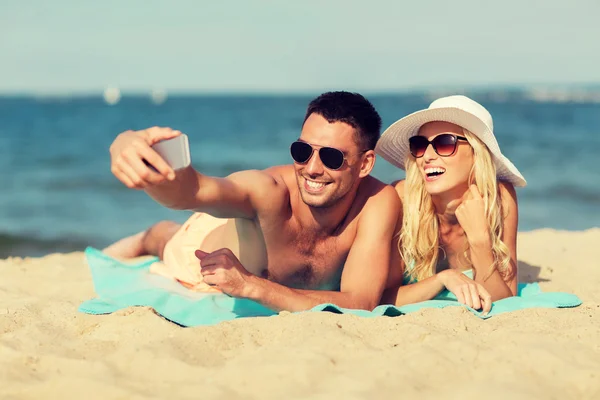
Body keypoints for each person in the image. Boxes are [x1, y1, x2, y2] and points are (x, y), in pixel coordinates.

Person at [105, 91, 401, 312]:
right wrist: (128, 145)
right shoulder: (268, 191)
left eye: (332, 157)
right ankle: (151, 236)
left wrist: (251, 285)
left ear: (365, 164)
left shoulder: (377, 202)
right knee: (166, 240)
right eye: (302, 151)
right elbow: (191, 191)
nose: (311, 168)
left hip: (243, 239)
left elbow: (360, 302)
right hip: (198, 249)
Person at [375, 95, 526, 314]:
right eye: (419, 145)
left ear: (476, 153)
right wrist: (443, 279)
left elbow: (504, 301)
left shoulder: (499, 199)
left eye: (444, 144)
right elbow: (380, 296)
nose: (426, 156)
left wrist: (480, 241)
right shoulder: (403, 199)